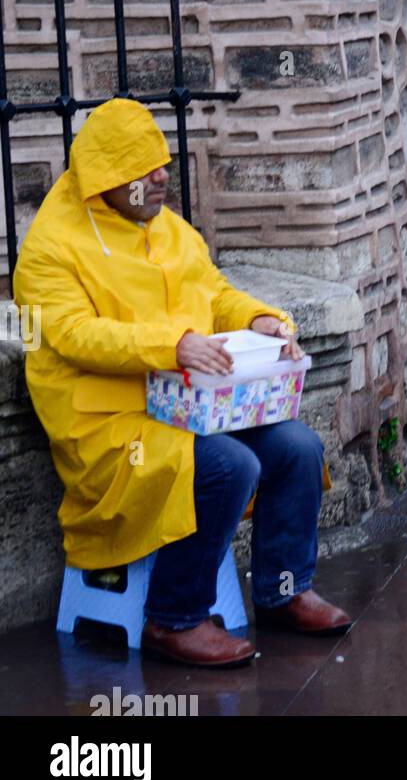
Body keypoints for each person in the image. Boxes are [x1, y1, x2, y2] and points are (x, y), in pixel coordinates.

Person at [13, 99, 352, 668]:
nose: (162, 175)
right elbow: (72, 335)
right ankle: (173, 619)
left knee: (296, 447)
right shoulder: (50, 249)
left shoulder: (168, 228)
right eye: (145, 170)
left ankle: (283, 590)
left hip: (189, 409)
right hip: (112, 428)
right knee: (228, 466)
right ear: (106, 181)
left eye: (162, 163)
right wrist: (169, 346)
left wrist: (260, 320)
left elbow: (214, 294)